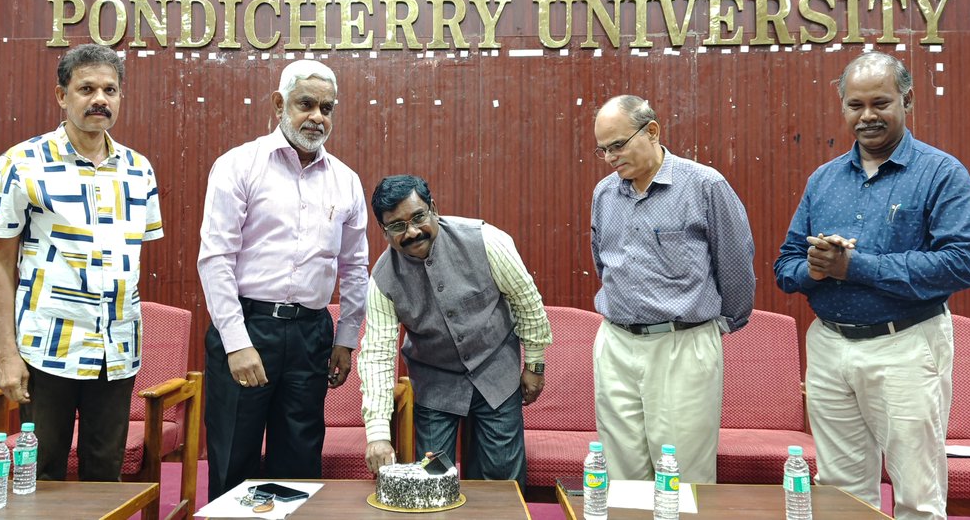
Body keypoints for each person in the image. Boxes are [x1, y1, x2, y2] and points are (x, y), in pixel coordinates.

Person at [775, 52, 970, 519]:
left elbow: (964, 264)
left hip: (907, 345)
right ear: (843, 108)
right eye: (855, 105)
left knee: (915, 492)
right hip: (829, 346)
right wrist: (814, 266)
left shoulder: (941, 174)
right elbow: (784, 266)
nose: (866, 116)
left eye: (880, 102)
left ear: (906, 99)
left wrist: (856, 266)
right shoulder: (823, 179)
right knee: (839, 491)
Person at [0, 44, 163, 481]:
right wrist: (7, 354)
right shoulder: (21, 163)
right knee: (40, 471)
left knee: (105, 473)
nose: (99, 98)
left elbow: (130, 261)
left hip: (116, 349)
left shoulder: (139, 169)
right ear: (62, 96)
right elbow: (0, 262)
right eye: (86, 89)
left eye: (110, 89)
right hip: (48, 346)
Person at [197, 60, 369, 501]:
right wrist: (236, 343)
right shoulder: (239, 165)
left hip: (312, 333)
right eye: (306, 104)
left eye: (327, 108)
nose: (317, 117)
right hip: (249, 326)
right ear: (279, 104)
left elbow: (354, 267)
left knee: (299, 460)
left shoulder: (346, 181)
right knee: (234, 455)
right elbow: (216, 259)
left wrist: (346, 340)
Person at [589, 95, 755, 484]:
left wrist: (716, 327)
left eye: (618, 145)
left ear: (652, 131)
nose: (611, 157)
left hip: (683, 343)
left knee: (682, 474)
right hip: (615, 343)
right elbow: (603, 263)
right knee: (621, 472)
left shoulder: (704, 185)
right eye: (603, 150)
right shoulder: (604, 194)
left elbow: (735, 264)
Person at [357, 175, 552, 490]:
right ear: (383, 230)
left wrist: (535, 364)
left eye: (418, 217)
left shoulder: (486, 240)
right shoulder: (382, 280)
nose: (411, 232)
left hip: (496, 369)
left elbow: (526, 302)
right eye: (396, 226)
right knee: (434, 480)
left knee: (501, 481)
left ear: (433, 208)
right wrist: (377, 434)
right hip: (435, 383)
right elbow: (377, 354)